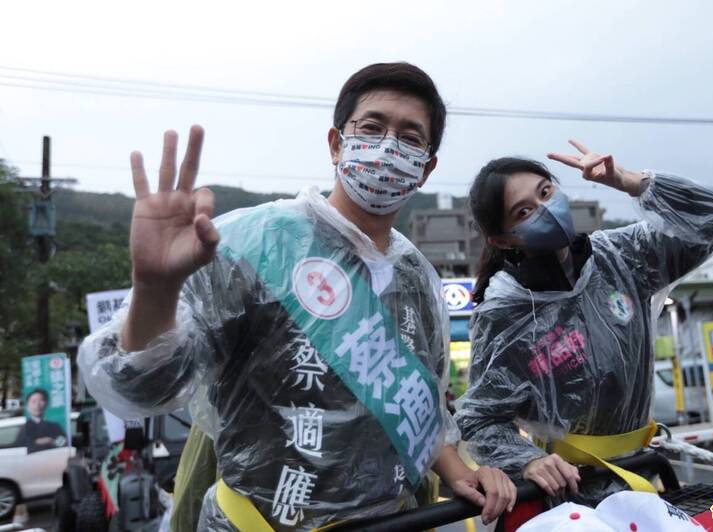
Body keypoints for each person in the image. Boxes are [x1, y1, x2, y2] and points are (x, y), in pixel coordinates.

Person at [79, 62, 516, 531]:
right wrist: (155, 289)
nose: (388, 146)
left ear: (425, 168)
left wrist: (460, 471)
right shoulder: (256, 243)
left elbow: (421, 412)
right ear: (336, 144)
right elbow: (142, 387)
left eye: (410, 138)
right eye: (372, 127)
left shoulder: (417, 278)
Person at [454, 141, 713, 504]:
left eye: (546, 192)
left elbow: (711, 216)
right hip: (568, 497)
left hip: (644, 476)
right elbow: (479, 419)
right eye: (524, 211)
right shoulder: (505, 313)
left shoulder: (619, 256)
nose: (545, 210)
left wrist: (627, 180)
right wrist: (529, 461)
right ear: (503, 239)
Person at [14, 388, 66, 453]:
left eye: (41, 400)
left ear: (46, 404)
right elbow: (22, 448)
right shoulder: (24, 427)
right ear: (27, 406)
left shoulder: (54, 426)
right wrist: (37, 442)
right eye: (33, 401)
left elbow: (63, 441)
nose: (37, 405)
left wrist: (51, 441)